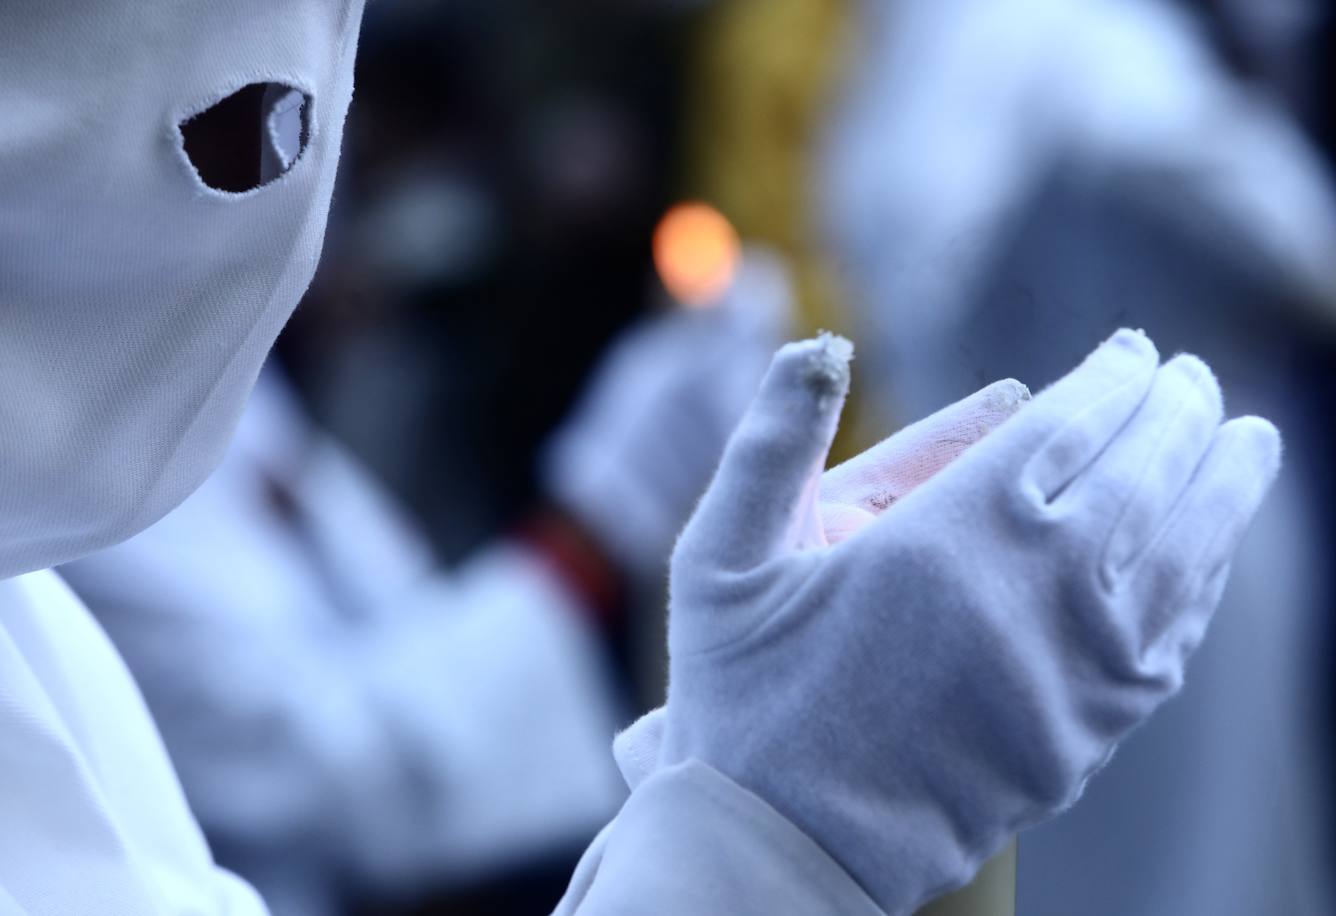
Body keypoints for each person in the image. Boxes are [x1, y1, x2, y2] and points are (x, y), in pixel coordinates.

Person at [1, 3, 1281, 914]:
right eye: (250, 126)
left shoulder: (37, 598)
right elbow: (335, 765)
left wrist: (734, 753)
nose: (310, 206)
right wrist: (776, 831)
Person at [819, 0, 1336, 912]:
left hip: (1025, 526)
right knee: (1202, 855)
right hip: (1185, 506)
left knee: (1108, 849)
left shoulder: (918, 51)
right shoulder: (1073, 32)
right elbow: (1253, 204)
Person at [57, 251, 792, 916]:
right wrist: (599, 518)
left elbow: (403, 614)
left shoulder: (197, 361)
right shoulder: (53, 434)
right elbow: (326, 775)